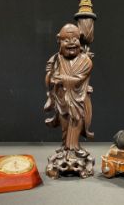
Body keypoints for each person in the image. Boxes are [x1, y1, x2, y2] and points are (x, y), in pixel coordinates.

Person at [44, 23, 94, 153]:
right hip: (62, 100)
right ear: (59, 41)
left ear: (80, 40)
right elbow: (49, 81)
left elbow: (80, 79)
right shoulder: (56, 59)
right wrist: (50, 76)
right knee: (65, 126)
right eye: (66, 40)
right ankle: (65, 149)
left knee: (77, 123)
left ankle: (74, 149)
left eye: (75, 40)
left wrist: (62, 79)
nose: (71, 43)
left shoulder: (85, 60)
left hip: (78, 99)